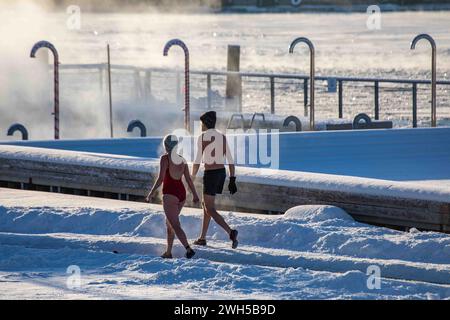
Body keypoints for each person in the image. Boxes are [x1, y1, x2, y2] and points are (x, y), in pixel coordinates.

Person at [146, 134, 199, 259]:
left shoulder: (165, 158)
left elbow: (160, 179)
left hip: (170, 194)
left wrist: (151, 192)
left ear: (166, 146)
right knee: (170, 223)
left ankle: (188, 248)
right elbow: (189, 180)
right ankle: (168, 252)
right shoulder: (182, 160)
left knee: (175, 224)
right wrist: (195, 195)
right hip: (181, 194)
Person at [192, 111, 239, 249]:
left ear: (206, 123)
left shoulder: (202, 138)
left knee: (210, 208)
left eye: (201, 123)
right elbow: (230, 159)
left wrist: (192, 177)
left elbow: (197, 161)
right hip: (221, 173)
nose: (200, 126)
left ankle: (231, 232)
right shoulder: (222, 137)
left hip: (211, 174)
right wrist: (232, 179)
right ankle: (202, 238)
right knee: (206, 205)